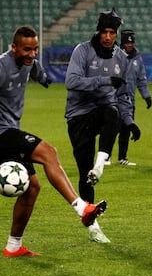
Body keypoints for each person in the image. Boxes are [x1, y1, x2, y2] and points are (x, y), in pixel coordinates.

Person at [0, 26, 107, 256]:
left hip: (10, 130)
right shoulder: (1, 67)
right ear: (14, 47)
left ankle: (13, 246)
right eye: (26, 49)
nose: (32, 54)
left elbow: (40, 73)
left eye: (35, 49)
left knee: (32, 188)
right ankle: (82, 208)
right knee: (48, 152)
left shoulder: (30, 63)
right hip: (1, 133)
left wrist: (45, 79)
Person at [65, 8, 140, 243]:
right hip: (78, 117)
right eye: (104, 32)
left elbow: (122, 96)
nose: (108, 37)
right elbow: (71, 81)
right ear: (98, 32)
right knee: (84, 173)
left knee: (112, 112)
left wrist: (129, 121)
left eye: (112, 33)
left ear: (116, 34)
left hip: (103, 113)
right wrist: (104, 80)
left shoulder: (121, 58)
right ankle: (93, 226)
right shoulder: (82, 51)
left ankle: (101, 164)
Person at [106, 29, 152, 166]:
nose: (130, 45)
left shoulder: (138, 58)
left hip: (130, 100)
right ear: (122, 43)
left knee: (126, 129)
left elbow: (141, 79)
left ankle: (122, 158)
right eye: (127, 43)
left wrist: (146, 96)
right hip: (114, 99)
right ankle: (106, 157)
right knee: (112, 129)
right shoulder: (115, 56)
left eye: (131, 43)